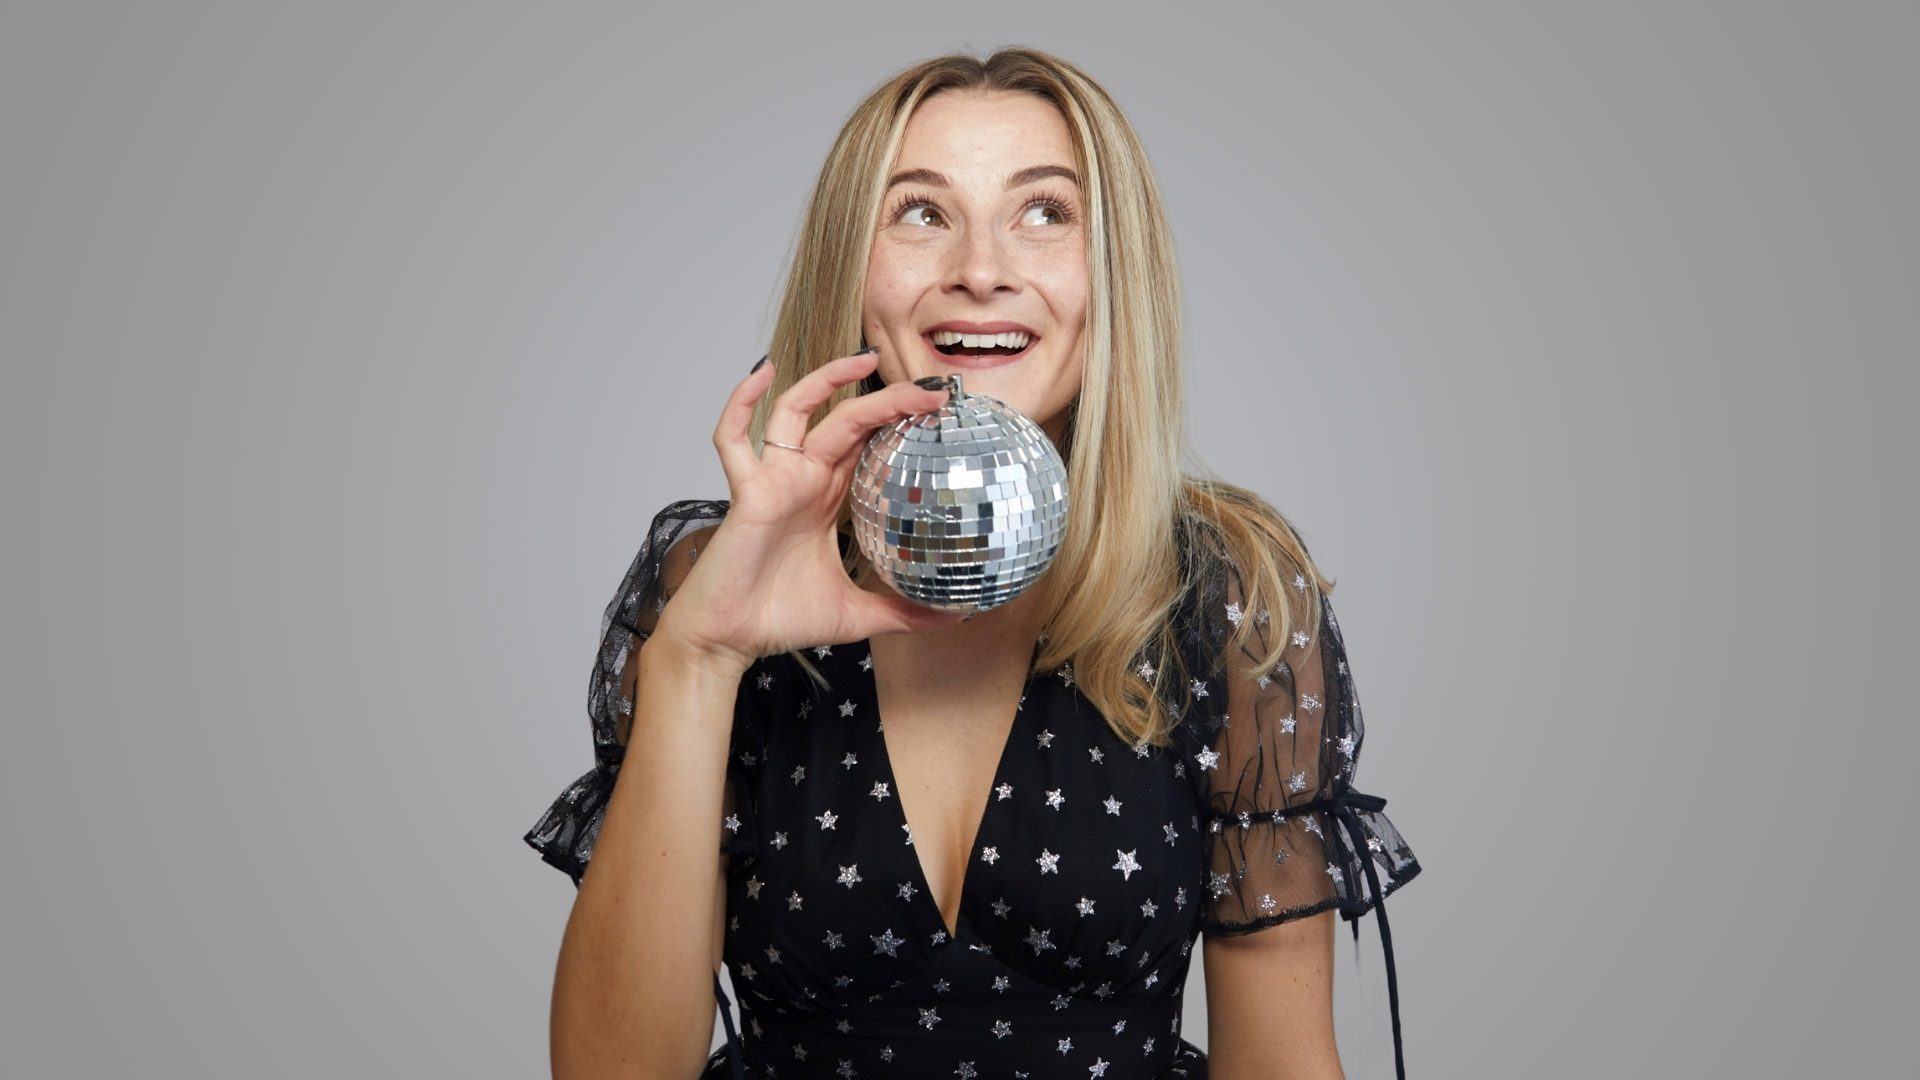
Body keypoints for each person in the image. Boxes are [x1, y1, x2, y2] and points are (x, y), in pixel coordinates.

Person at [524, 48, 1423, 1080]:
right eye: (920, 213)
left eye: (1045, 213)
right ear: (853, 270)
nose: (982, 269)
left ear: (1110, 274)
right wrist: (703, 656)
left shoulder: (1224, 589)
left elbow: (1283, 1065)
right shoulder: (712, 579)